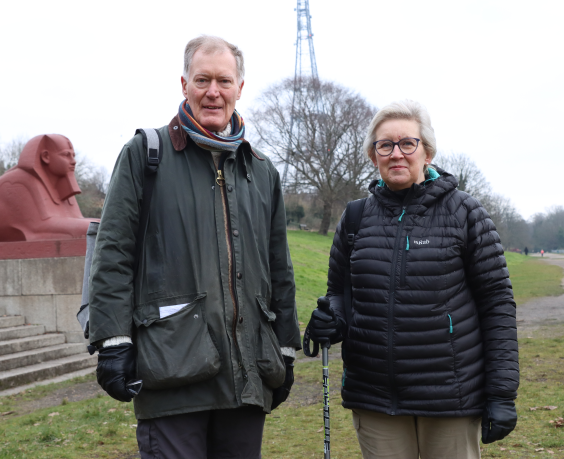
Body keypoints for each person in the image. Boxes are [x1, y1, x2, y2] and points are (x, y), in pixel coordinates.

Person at [89, 35, 301, 459]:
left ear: (240, 87)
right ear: (183, 84)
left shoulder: (261, 171)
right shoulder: (145, 154)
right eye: (202, 79)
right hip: (172, 370)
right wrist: (113, 341)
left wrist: (285, 346)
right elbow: (113, 255)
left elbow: (279, 267)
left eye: (224, 80)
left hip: (246, 374)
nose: (213, 91)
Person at [306, 99, 519, 459]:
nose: (396, 154)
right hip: (375, 399)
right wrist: (331, 320)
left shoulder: (465, 212)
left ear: (427, 152)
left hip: (452, 397)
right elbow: (340, 294)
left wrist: (501, 394)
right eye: (384, 145)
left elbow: (498, 304)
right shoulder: (356, 218)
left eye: (408, 143)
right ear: (374, 156)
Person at [0, 134, 95, 241]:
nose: (73, 161)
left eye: (73, 155)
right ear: (46, 157)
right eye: (66, 155)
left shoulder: (61, 186)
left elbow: (77, 220)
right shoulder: (18, 181)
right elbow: (38, 228)